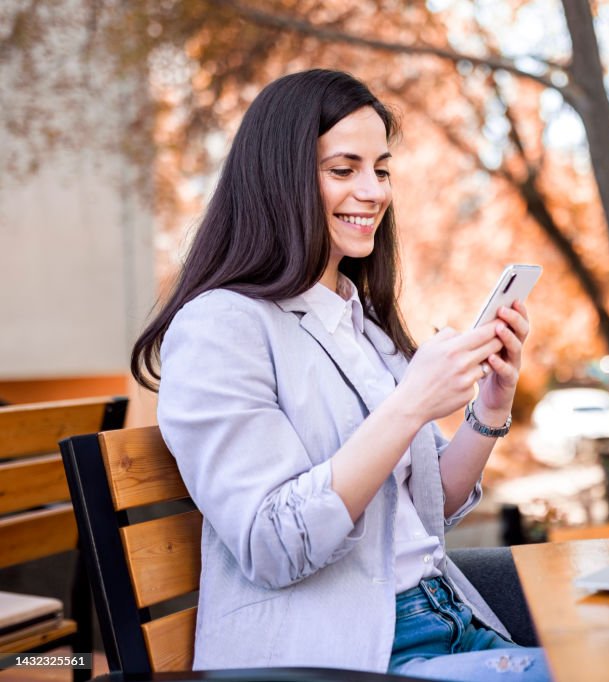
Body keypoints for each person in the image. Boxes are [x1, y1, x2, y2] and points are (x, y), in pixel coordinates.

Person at [131, 69, 549, 682]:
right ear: (281, 179)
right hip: (345, 655)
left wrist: (490, 406)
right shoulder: (220, 326)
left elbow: (431, 506)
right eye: (343, 169)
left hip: (447, 619)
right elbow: (272, 544)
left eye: (381, 169)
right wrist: (409, 405)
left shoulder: (362, 322)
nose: (374, 191)